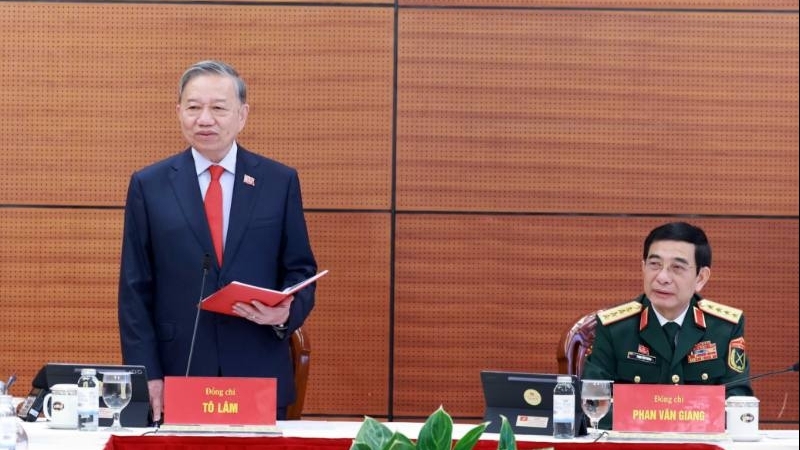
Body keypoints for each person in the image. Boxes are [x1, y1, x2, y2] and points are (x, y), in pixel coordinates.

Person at [118, 60, 318, 422]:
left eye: (218, 108)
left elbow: (300, 269)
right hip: (180, 368)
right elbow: (134, 290)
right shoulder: (149, 185)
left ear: (242, 114)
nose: (205, 119)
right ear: (178, 112)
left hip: (257, 369)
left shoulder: (278, 181)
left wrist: (285, 312)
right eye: (194, 107)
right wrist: (147, 374)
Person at [582, 221, 753, 425]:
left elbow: (738, 402)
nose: (662, 277)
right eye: (654, 264)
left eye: (677, 268)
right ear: (643, 267)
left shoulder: (724, 328)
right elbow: (591, 404)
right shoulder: (615, 328)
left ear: (701, 277)